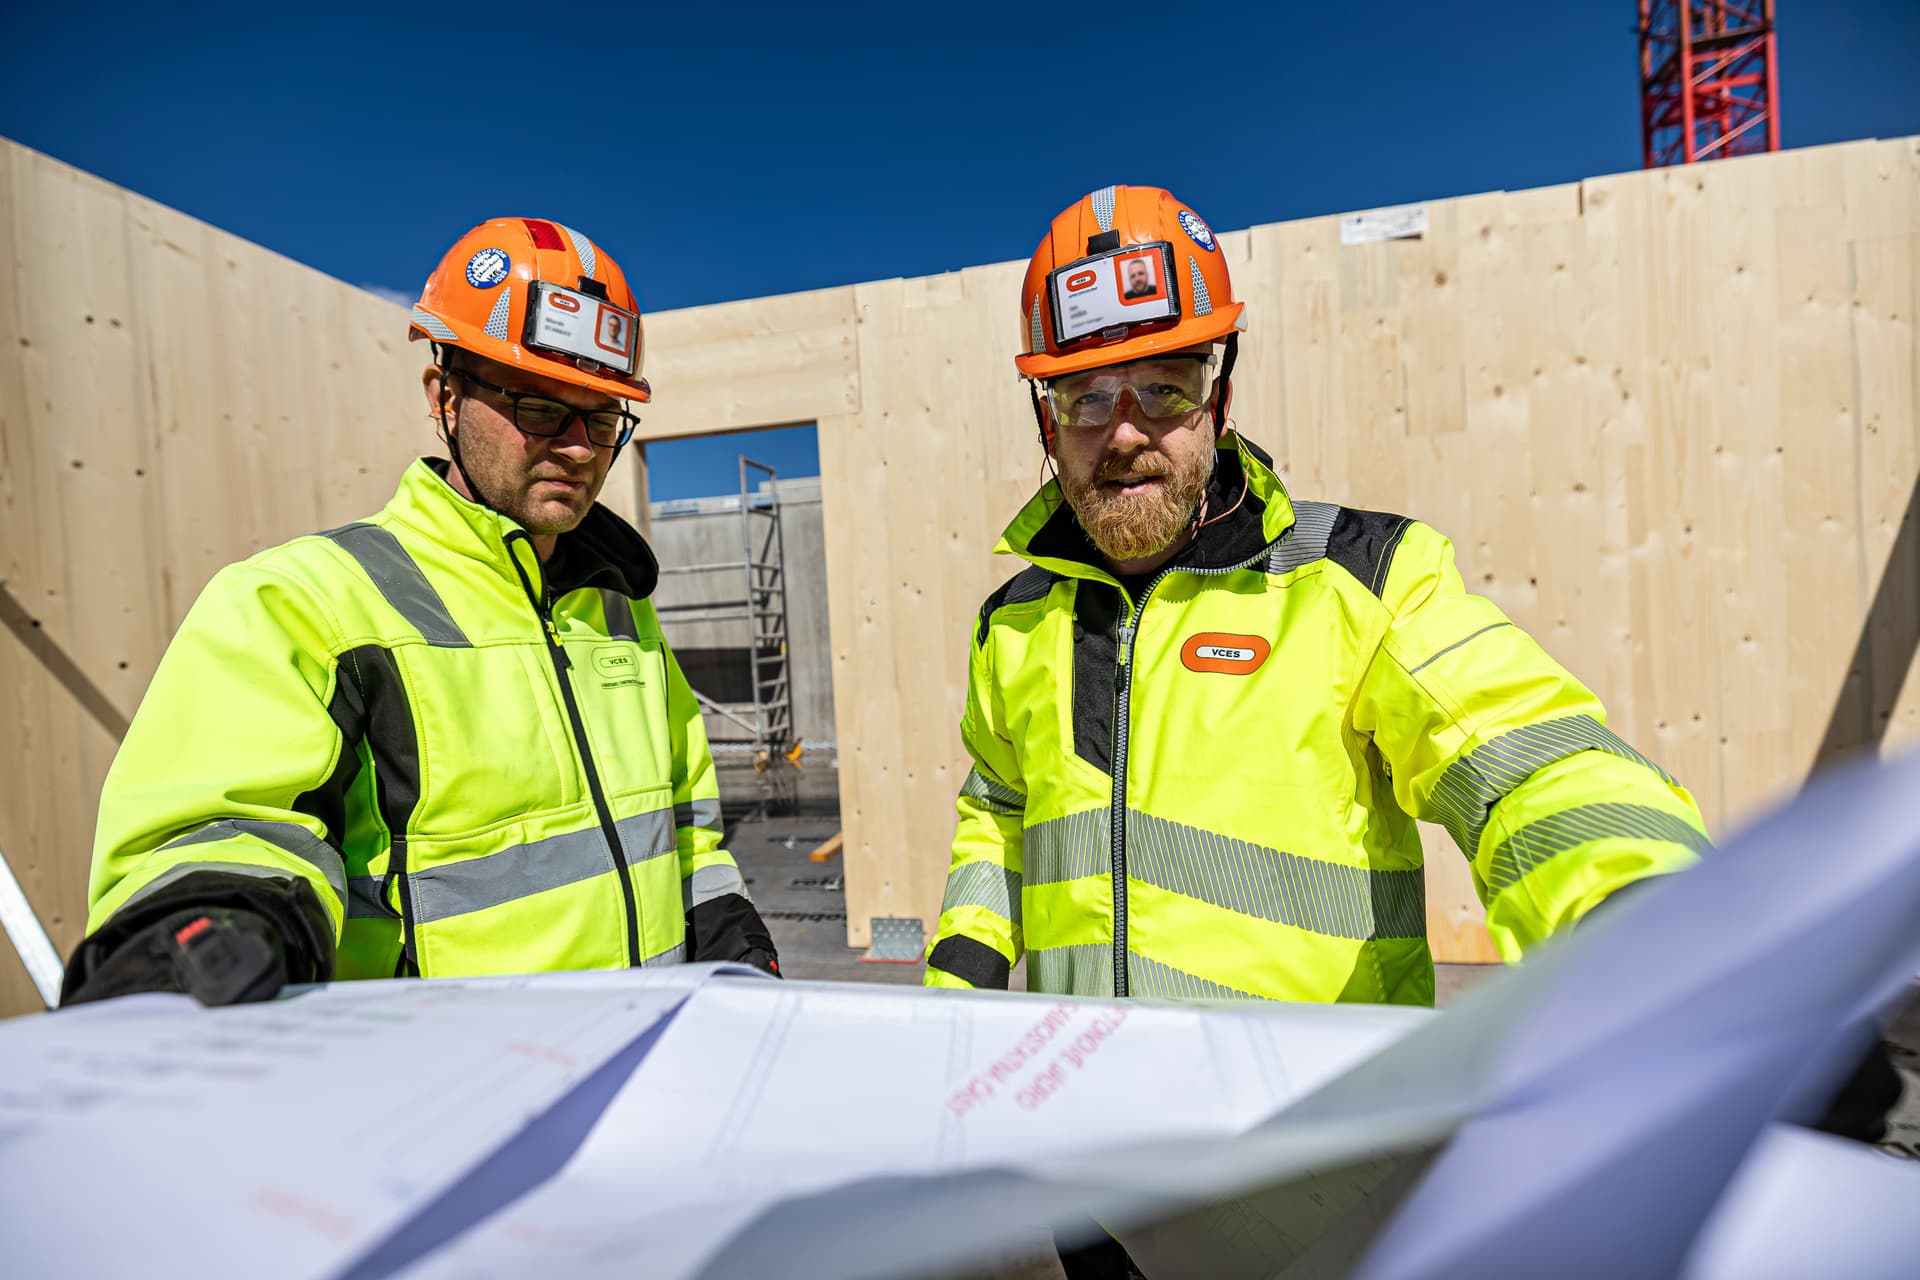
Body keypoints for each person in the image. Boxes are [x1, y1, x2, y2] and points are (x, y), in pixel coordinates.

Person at [925, 185, 1898, 1275]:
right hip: (1091, 1181)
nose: (1129, 430)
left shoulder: (1362, 582)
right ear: (1045, 420)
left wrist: (1682, 951)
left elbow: (1532, 767)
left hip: (1315, 1194)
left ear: (1223, 394)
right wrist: (953, 999)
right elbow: (996, 813)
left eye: (1167, 382)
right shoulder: (1013, 626)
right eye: (1086, 397)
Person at [61, 217, 779, 1007]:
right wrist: (209, 928)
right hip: (448, 1097)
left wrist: (731, 937)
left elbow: (687, 829)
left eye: (604, 418)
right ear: (445, 396)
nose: (579, 448)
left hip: (642, 1063)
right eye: (542, 407)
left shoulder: (620, 612)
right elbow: (219, 836)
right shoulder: (305, 602)